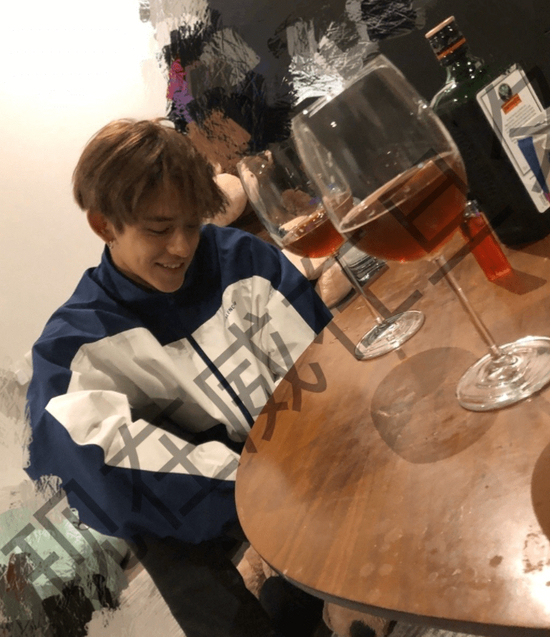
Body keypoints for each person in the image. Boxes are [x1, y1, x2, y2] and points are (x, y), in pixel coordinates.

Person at [25, 118, 333, 637]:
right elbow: (97, 467)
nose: (183, 247)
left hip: (295, 453)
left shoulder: (241, 258)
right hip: (203, 494)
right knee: (153, 530)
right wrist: (257, 488)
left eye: (192, 224)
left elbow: (321, 367)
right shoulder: (71, 346)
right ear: (105, 226)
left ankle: (310, 591)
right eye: (159, 229)